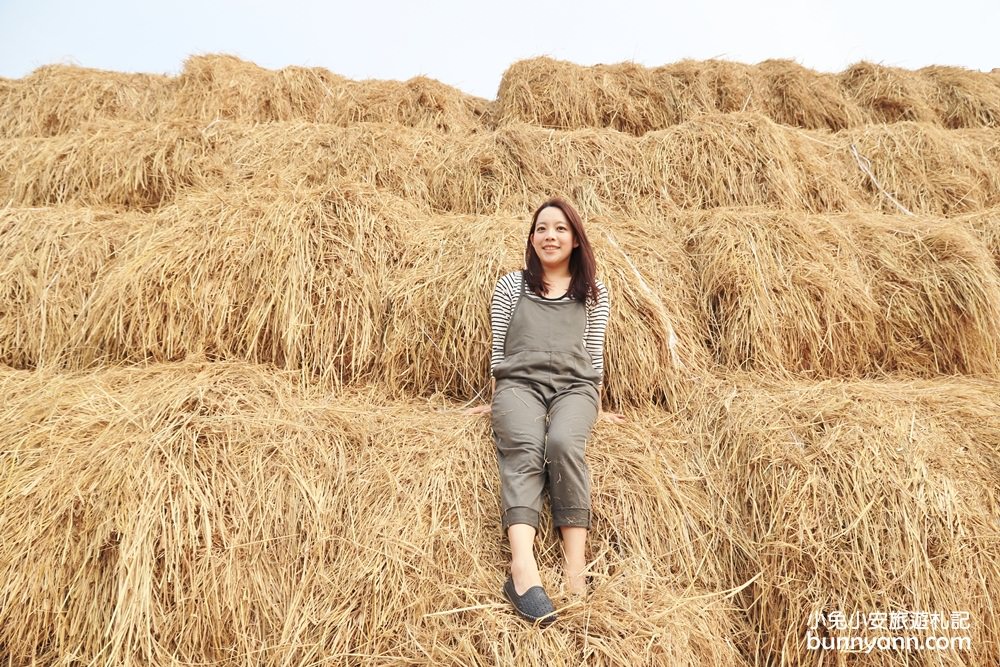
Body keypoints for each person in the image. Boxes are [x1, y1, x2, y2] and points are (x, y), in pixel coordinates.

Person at [467, 197, 624, 627]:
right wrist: (498, 399)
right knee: (526, 446)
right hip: (519, 386)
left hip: (576, 388)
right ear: (531, 238)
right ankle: (522, 571)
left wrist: (595, 407)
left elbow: (594, 354)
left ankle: (576, 574)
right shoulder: (510, 286)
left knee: (562, 443)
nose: (549, 236)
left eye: (559, 229)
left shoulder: (593, 292)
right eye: (541, 229)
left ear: (575, 240)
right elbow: (499, 350)